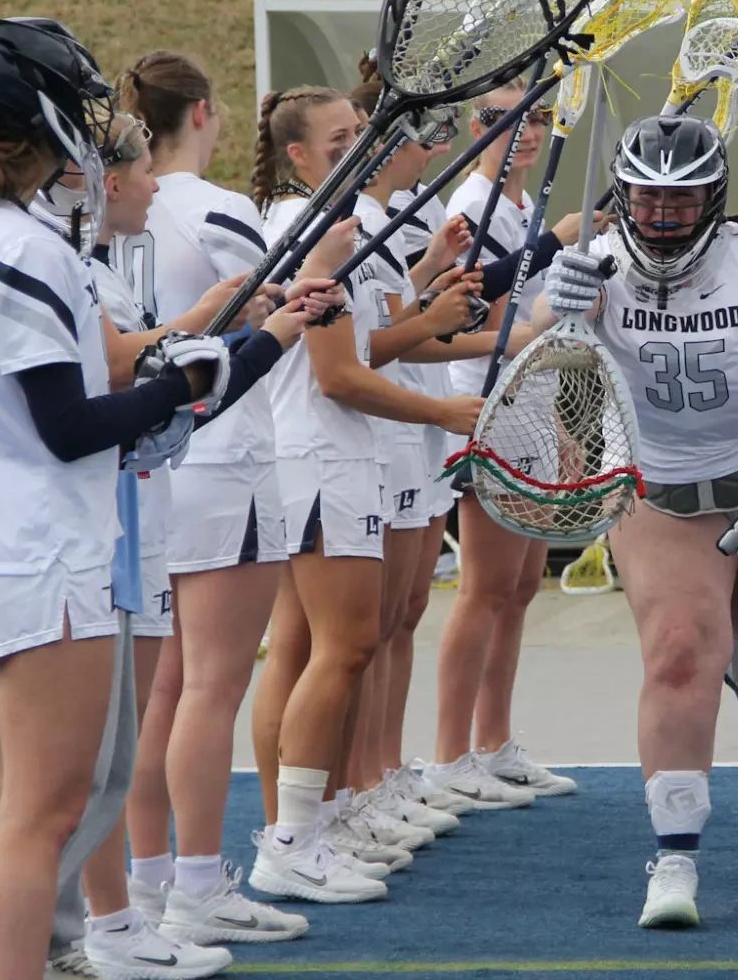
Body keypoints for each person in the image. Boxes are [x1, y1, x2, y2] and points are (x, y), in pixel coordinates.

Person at [0, 16, 233, 980]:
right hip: (42, 549)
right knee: (38, 817)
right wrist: (185, 385)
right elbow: (68, 426)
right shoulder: (25, 246)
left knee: (1, 796)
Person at [528, 115, 738, 928]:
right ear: (622, 192)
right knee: (679, 654)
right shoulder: (594, 261)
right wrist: (547, 311)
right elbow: (544, 369)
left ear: (715, 197)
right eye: (647, 195)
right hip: (661, 483)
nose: (663, 213)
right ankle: (674, 858)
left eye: (682, 198)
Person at [245, 85, 484, 904]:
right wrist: (444, 407)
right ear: (299, 156)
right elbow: (340, 375)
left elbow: (366, 344)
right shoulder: (313, 233)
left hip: (334, 458)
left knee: (326, 648)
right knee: (336, 649)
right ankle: (292, 837)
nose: (361, 147)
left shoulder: (343, 229)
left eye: (362, 134)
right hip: (318, 459)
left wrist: (426, 299)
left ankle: (316, 819)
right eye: (341, 138)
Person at [108, 50, 322, 945]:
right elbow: (266, 318)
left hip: (151, 465)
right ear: (200, 112)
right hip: (223, 453)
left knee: (161, 694)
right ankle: (196, 882)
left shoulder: (109, 216)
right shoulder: (215, 208)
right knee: (209, 688)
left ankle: (151, 879)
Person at [421, 82, 586, 806]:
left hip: (535, 403)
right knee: (485, 588)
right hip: (484, 410)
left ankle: (494, 740)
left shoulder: (525, 205)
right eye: (501, 120)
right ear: (472, 127)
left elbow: (539, 321)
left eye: (537, 119)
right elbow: (457, 318)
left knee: (519, 589)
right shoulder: (468, 210)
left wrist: (558, 424)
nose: (523, 133)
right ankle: (449, 752)